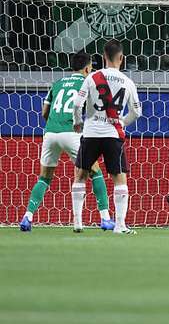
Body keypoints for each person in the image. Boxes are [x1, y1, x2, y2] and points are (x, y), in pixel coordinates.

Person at [19, 53, 115, 232]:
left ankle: (27, 217)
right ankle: (105, 219)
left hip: (50, 134)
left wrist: (54, 124)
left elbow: (44, 112)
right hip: (72, 133)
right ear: (87, 68)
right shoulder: (88, 83)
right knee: (95, 172)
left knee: (44, 178)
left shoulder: (57, 84)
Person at [72, 39, 142, 234]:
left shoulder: (92, 77)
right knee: (119, 179)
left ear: (103, 58)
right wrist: (122, 122)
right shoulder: (128, 82)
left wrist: (78, 122)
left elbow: (78, 104)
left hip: (91, 133)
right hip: (113, 135)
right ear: (121, 58)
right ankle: (120, 225)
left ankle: (78, 222)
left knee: (81, 175)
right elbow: (137, 112)